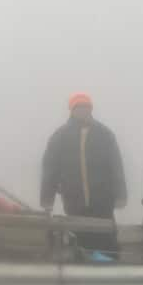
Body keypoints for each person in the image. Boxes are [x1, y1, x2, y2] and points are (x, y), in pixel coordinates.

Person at [40, 92, 127, 254]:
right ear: (71, 110)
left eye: (86, 107)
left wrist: (121, 195)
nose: (82, 110)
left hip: (103, 199)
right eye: (78, 107)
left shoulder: (105, 134)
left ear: (91, 109)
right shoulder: (60, 136)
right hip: (74, 199)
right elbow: (50, 168)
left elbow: (116, 166)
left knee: (106, 237)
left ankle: (110, 268)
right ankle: (82, 268)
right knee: (79, 239)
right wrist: (47, 199)